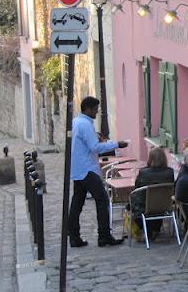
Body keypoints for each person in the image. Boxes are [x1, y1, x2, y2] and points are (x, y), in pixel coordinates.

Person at [68, 96, 129, 247]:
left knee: (77, 203)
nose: (96, 112)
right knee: (102, 199)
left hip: (77, 168)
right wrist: (116, 144)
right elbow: (94, 147)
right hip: (87, 169)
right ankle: (104, 235)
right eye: (95, 109)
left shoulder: (76, 122)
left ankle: (74, 236)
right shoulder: (85, 125)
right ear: (87, 109)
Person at [130, 147, 174, 240]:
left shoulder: (143, 173)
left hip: (145, 206)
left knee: (133, 202)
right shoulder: (170, 172)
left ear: (150, 158)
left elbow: (137, 188)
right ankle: (155, 229)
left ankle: (146, 229)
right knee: (156, 203)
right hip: (164, 206)